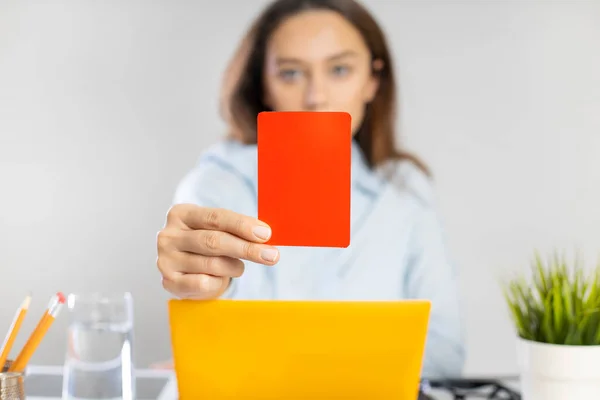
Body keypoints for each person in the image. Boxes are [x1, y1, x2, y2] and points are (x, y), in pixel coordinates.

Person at [156, 0, 465, 378]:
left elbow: (445, 355)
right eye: (290, 74)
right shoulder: (214, 187)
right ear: (264, 87)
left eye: (339, 69)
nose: (316, 97)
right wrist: (202, 284)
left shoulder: (405, 190)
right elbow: (212, 341)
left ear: (372, 80)